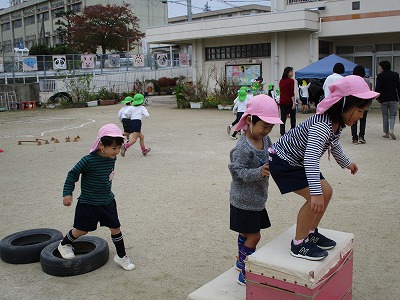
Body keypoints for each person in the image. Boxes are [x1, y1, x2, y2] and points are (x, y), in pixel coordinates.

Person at [269, 75, 379, 261]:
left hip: (299, 161)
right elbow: (311, 159)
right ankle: (298, 244)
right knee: (316, 195)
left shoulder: (335, 123)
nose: (362, 115)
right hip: (284, 161)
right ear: (343, 105)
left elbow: (334, 145)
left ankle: (310, 232)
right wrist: (315, 192)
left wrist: (346, 163)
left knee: (326, 191)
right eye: (360, 110)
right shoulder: (321, 125)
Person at [58, 123, 136, 271]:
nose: (117, 152)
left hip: (107, 200)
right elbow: (72, 174)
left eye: (118, 148)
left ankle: (121, 255)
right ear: (101, 145)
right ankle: (64, 244)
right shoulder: (88, 160)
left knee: (116, 228)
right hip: (89, 202)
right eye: (114, 148)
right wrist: (67, 193)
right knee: (81, 231)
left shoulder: (111, 157)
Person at [228, 95, 283, 285]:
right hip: (243, 201)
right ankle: (245, 272)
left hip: (257, 200)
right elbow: (237, 172)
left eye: (270, 127)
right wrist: (259, 172)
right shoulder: (242, 147)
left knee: (245, 234)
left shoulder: (265, 139)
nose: (266, 131)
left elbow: (273, 152)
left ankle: (239, 261)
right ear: (250, 120)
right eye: (264, 126)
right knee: (254, 235)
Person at [375, 60, 400, 140]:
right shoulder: (395, 75)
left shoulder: (380, 76)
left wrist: (377, 97)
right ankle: (391, 129)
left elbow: (378, 88)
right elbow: (398, 87)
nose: (379, 68)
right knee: (393, 115)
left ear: (383, 67)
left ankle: (386, 133)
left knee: (385, 115)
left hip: (383, 99)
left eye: (380, 66)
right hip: (393, 98)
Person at [351, 65, 370, 144]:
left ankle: (354, 138)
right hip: (364, 102)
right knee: (363, 120)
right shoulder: (367, 80)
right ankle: (361, 136)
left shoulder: (351, 80)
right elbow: (369, 92)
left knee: (353, 120)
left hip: (354, 103)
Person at [279, 66, 296, 136]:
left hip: (282, 101)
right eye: (292, 71)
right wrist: (293, 103)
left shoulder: (281, 81)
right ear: (288, 72)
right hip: (289, 101)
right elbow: (291, 92)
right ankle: (293, 130)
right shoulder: (291, 81)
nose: (292, 73)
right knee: (292, 117)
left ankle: (282, 132)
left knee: (283, 117)